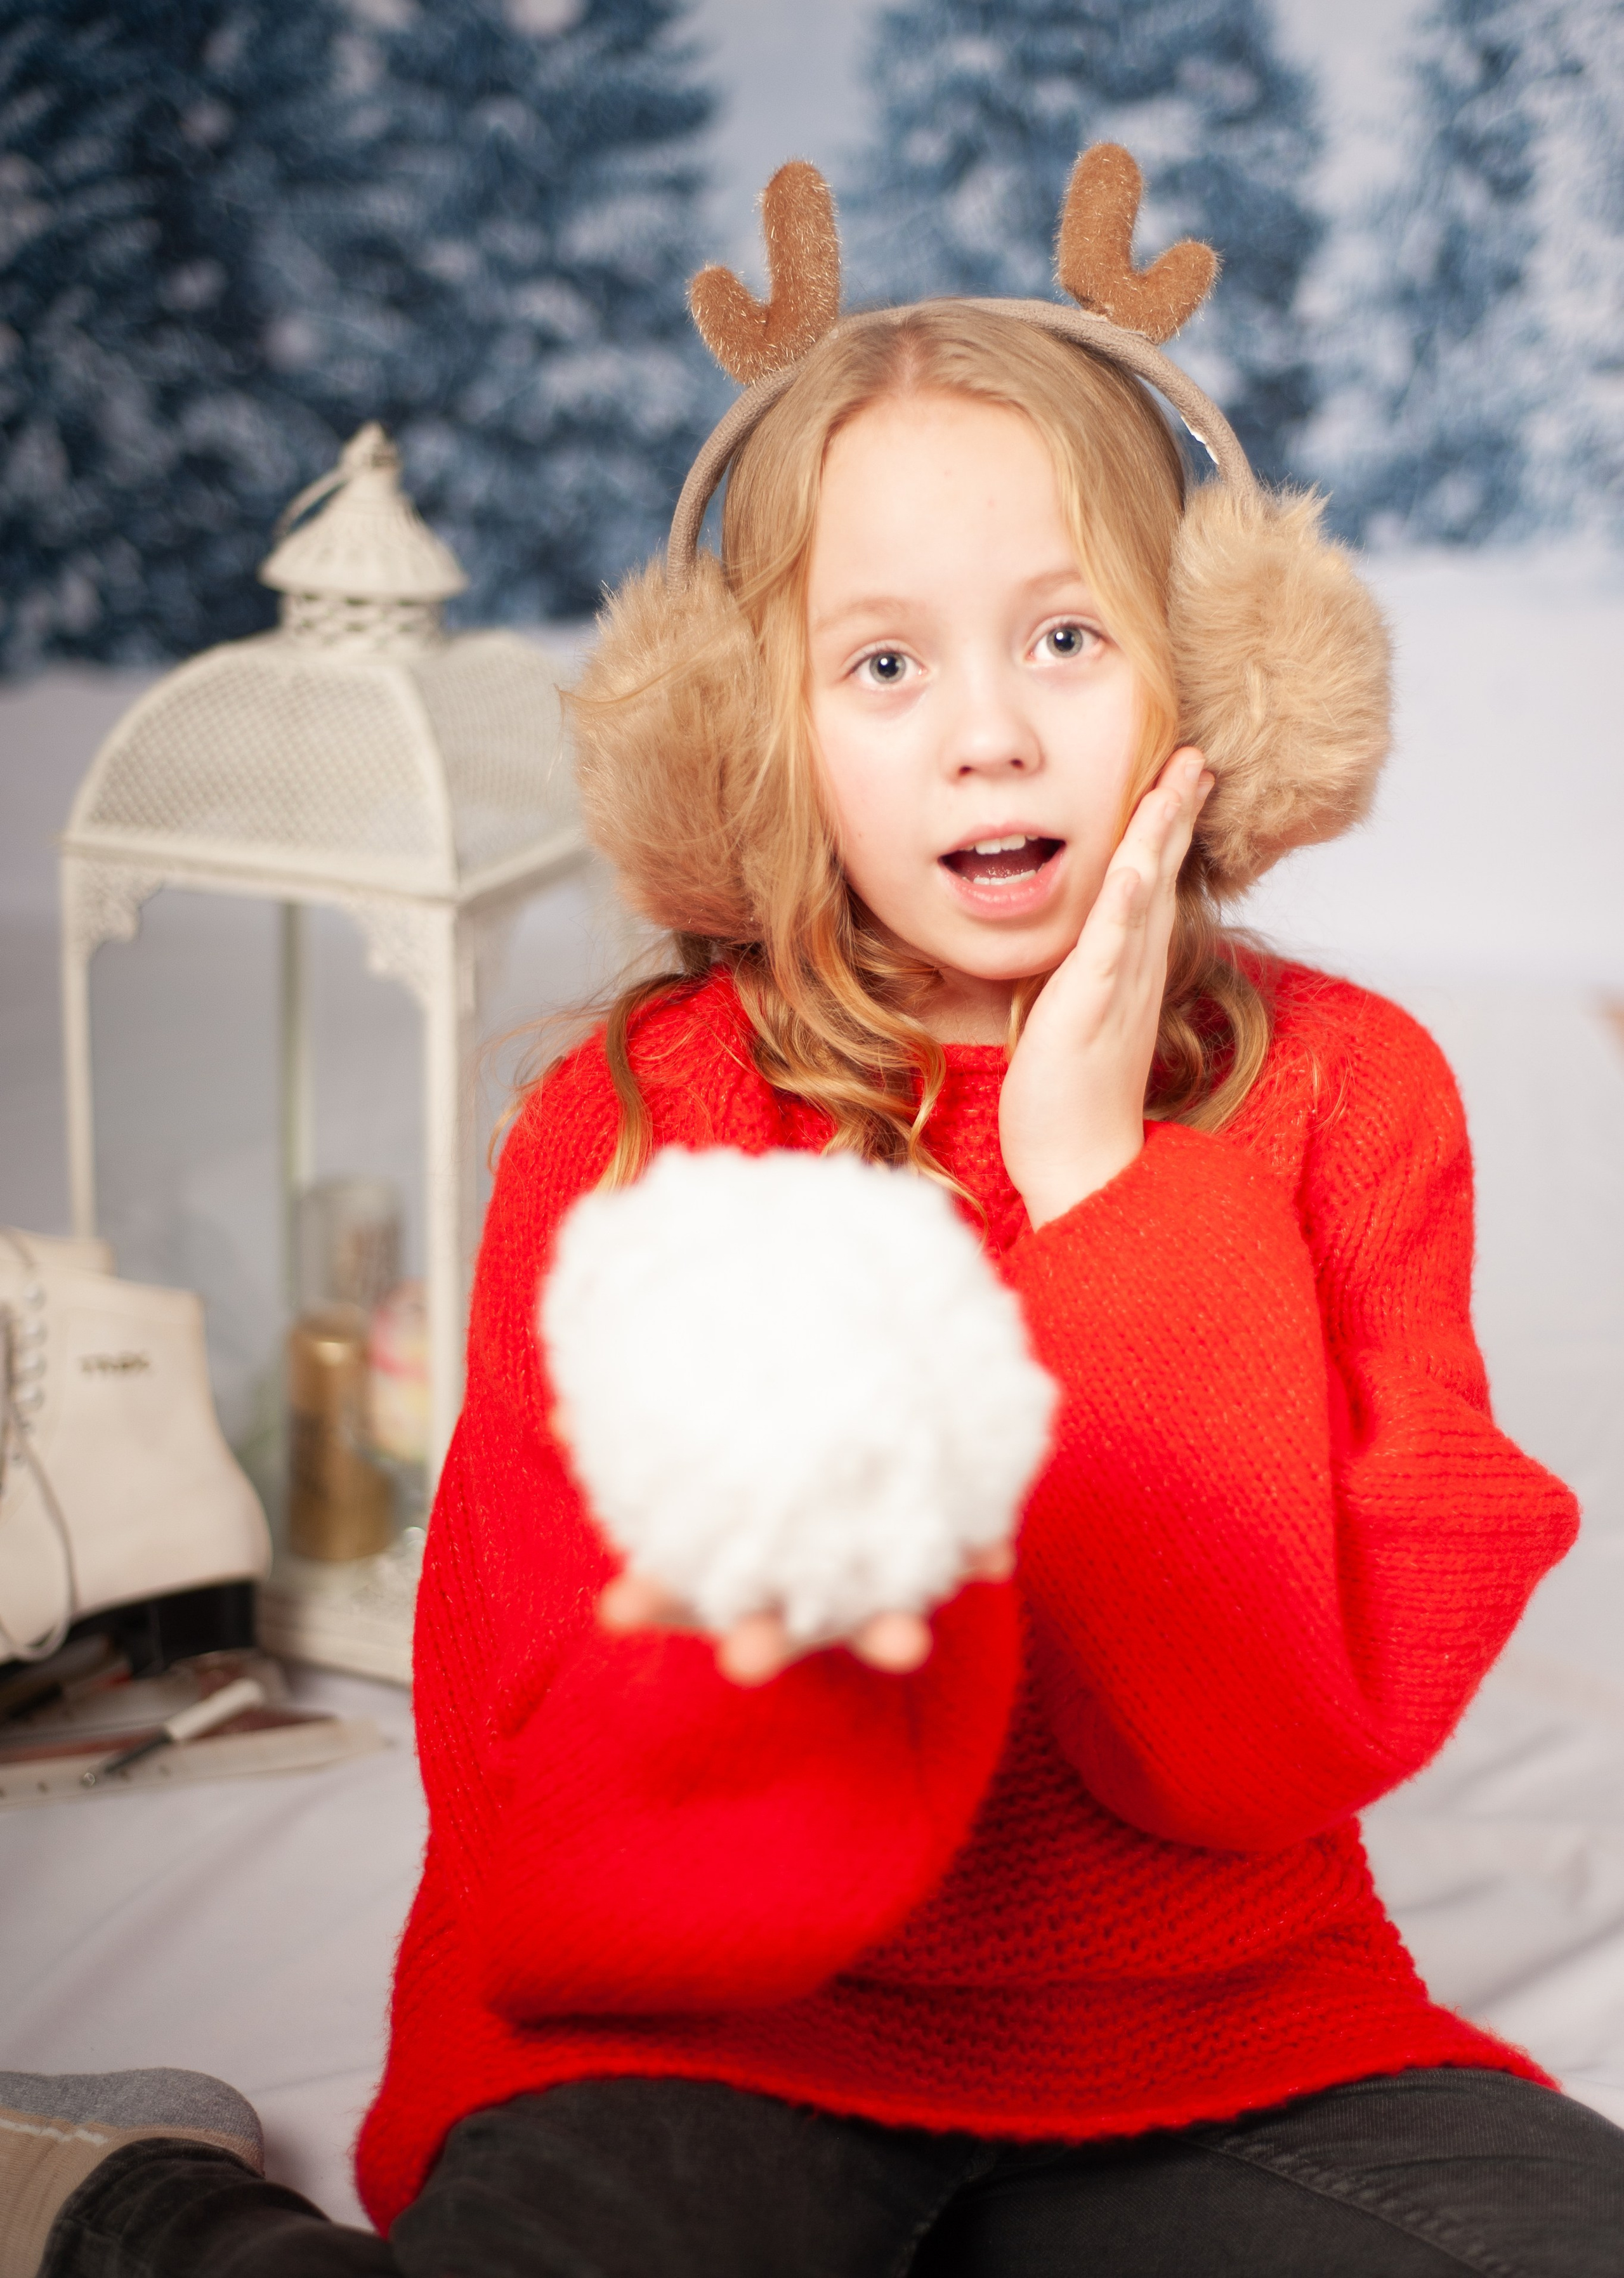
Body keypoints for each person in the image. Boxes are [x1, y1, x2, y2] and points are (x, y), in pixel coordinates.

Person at [8, 150, 1624, 2278]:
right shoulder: (634, 1121)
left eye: (1065, 635)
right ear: (750, 734)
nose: (986, 734)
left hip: (1216, 2029)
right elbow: (552, 1828)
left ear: (1215, 676)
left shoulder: (1349, 1097)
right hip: (710, 2018)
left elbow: (1241, 1758)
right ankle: (148, 2220)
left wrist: (1102, 1193)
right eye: (882, 667)